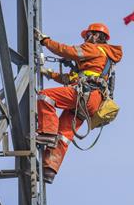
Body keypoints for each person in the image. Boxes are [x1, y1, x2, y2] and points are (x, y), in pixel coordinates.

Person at [34, 23, 123, 183]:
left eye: (88, 36)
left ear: (95, 35)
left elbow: (68, 51)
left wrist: (45, 41)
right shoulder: (104, 58)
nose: (86, 39)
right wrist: (50, 74)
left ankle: (47, 133)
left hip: (85, 94)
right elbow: (71, 79)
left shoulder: (93, 49)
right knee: (64, 135)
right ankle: (49, 170)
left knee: (45, 96)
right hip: (92, 102)